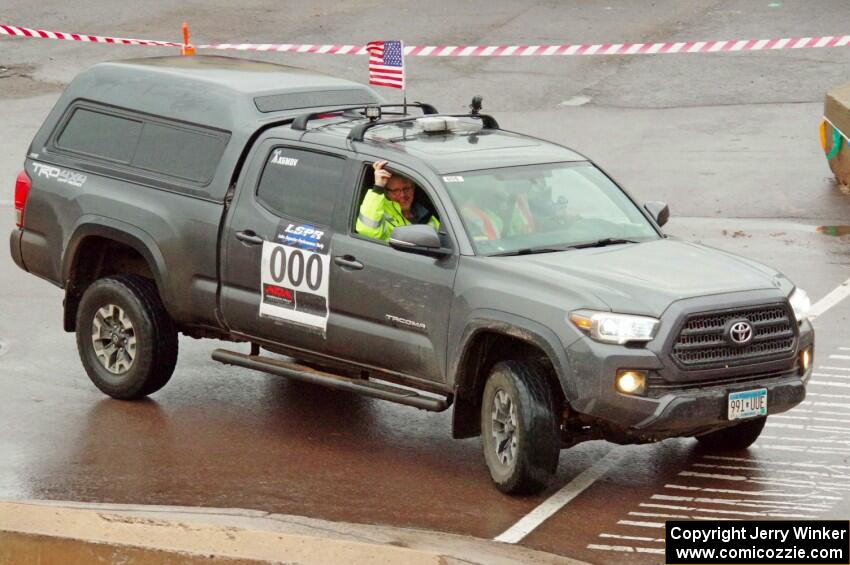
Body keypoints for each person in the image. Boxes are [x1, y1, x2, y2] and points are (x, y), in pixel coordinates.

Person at [356, 160, 440, 241]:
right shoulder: (379, 212)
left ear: (413, 188)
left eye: (406, 189)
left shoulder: (427, 214)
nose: (402, 195)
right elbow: (367, 232)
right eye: (395, 191)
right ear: (386, 193)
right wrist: (378, 187)